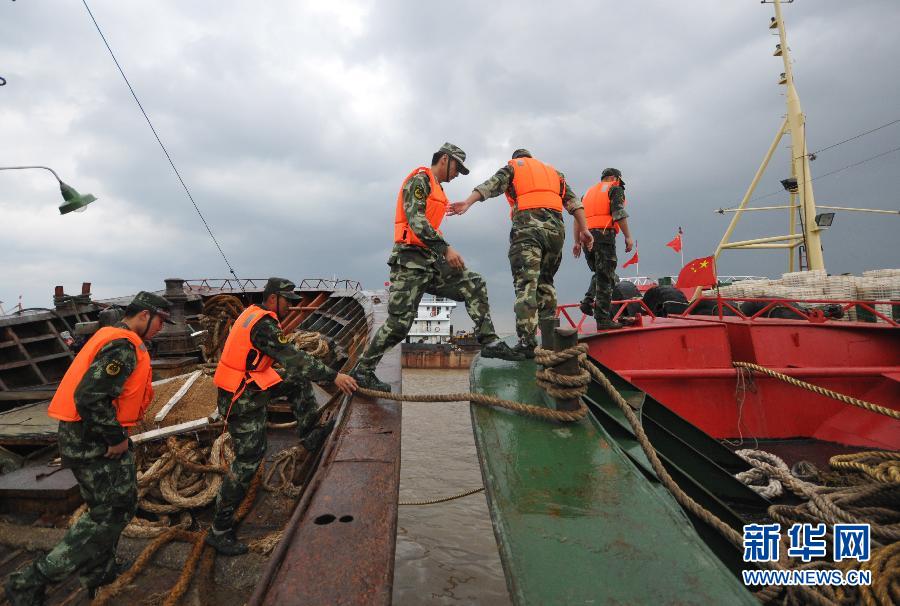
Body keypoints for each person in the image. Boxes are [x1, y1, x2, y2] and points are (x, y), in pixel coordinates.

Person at [5, 292, 174, 604]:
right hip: (95, 439)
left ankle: (101, 573)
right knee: (111, 512)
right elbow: (90, 397)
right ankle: (30, 581)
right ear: (143, 315)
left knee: (109, 507)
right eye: (160, 321)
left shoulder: (112, 337)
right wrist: (115, 438)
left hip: (90, 435)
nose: (161, 329)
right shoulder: (123, 345)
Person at [351, 143, 522, 393]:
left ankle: (488, 341)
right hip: (409, 262)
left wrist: (440, 251)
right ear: (444, 159)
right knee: (399, 325)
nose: (457, 175)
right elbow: (416, 220)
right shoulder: (420, 181)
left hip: (430, 262)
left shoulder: (438, 189)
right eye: (457, 168)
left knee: (473, 282)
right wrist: (446, 248)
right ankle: (362, 371)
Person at [206, 277, 357, 555]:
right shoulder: (263, 324)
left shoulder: (254, 315)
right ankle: (219, 529)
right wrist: (334, 376)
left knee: (297, 381)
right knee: (248, 461)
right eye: (288, 301)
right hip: (241, 397)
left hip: (251, 383)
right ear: (274, 298)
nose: (291, 306)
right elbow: (293, 357)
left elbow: (286, 362)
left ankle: (310, 435)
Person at [448, 149, 593, 356]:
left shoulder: (514, 167)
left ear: (517, 158)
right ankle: (549, 341)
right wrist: (585, 229)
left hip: (528, 230)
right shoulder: (554, 173)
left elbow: (490, 185)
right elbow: (574, 203)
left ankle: (526, 343)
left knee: (526, 285)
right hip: (555, 233)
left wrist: (468, 202)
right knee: (546, 283)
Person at [575, 167, 634, 329]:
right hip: (603, 236)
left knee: (600, 274)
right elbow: (618, 213)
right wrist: (628, 236)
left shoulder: (586, 194)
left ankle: (587, 302)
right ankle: (603, 319)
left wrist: (577, 242)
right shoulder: (614, 189)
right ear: (615, 178)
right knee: (606, 279)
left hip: (587, 239)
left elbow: (576, 218)